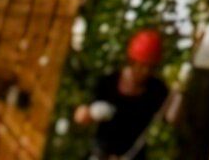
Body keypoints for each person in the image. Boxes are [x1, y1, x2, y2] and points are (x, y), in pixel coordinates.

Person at [70, 25, 170, 153]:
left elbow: (172, 119)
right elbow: (80, 114)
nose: (145, 72)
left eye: (150, 67)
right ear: (132, 61)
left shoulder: (157, 90)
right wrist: (89, 113)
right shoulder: (108, 83)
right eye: (142, 65)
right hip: (102, 154)